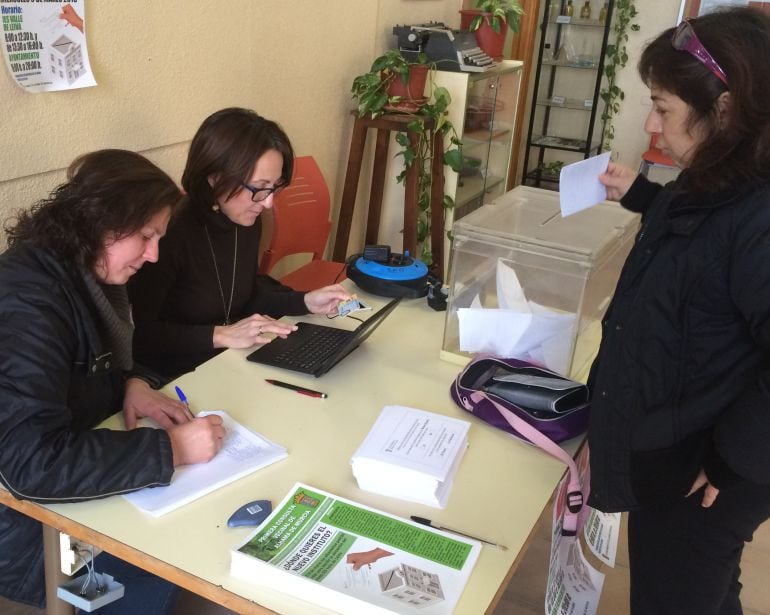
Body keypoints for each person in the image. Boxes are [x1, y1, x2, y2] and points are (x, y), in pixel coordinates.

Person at [588, 7, 770, 614]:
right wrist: (637, 193)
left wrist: (730, 461)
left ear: (724, 109)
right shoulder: (718, 174)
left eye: (663, 107)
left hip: (708, 464)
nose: (651, 123)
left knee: (675, 593)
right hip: (679, 441)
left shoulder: (761, 212)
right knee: (707, 586)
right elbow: (697, 230)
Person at [0, 149, 225, 612]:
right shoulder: (29, 304)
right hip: (26, 539)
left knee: (199, 545)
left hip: (75, 510)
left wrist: (131, 385)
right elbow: (29, 464)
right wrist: (172, 449)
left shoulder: (81, 272)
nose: (154, 254)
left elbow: (76, 371)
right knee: (178, 585)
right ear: (101, 220)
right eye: (146, 236)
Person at [128, 108, 349, 379]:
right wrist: (220, 335)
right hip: (177, 377)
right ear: (215, 177)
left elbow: (242, 294)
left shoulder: (245, 218)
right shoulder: (169, 233)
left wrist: (304, 301)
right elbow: (140, 336)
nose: (268, 203)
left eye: (275, 187)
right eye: (259, 188)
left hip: (228, 361)